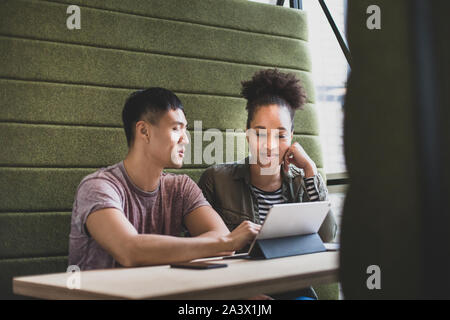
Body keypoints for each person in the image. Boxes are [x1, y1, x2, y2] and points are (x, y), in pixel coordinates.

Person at [69, 87, 260, 270]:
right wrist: (223, 242)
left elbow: (223, 241)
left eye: (185, 130)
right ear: (144, 131)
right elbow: (129, 250)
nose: (185, 139)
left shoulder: (181, 187)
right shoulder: (97, 187)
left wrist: (224, 242)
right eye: (176, 129)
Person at [198, 69, 338, 299]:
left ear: (291, 138)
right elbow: (197, 251)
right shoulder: (216, 180)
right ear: (248, 135)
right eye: (260, 134)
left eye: (280, 135)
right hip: (238, 293)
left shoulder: (302, 181)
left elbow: (327, 237)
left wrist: (311, 171)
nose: (270, 146)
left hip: (294, 292)